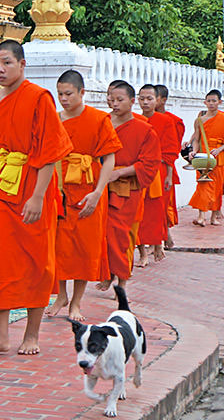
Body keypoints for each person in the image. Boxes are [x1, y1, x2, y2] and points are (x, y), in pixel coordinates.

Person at [0, 40, 73, 357]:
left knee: (36, 262)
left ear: (22, 64)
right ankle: (1, 336)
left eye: (6, 63)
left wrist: (37, 197)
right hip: (5, 186)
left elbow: (49, 152)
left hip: (34, 186)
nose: (0, 69)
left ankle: (32, 335)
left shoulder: (38, 98)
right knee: (0, 261)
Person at [45, 70, 121, 322]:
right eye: (60, 94)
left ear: (81, 93)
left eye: (68, 94)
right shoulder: (55, 120)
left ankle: (76, 303)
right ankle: (61, 296)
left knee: (84, 249)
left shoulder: (99, 119)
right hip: (61, 189)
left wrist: (98, 192)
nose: (63, 99)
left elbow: (109, 157)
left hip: (90, 188)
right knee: (60, 247)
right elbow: (50, 157)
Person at [97, 82, 160, 292]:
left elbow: (149, 163)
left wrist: (118, 173)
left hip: (125, 190)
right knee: (101, 235)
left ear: (132, 102)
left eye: (119, 100)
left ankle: (122, 280)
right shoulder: (102, 122)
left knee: (121, 237)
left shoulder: (144, 129)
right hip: (99, 187)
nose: (113, 104)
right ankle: (107, 274)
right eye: (110, 99)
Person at [135, 85, 176, 266]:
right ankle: (143, 253)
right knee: (138, 214)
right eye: (142, 98)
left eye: (149, 98)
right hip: (138, 171)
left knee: (156, 213)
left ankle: (157, 243)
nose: (145, 102)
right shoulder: (134, 120)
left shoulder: (165, 121)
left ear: (157, 100)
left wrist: (168, 176)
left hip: (158, 172)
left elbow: (169, 151)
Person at [188, 89, 224, 226]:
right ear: (205, 102)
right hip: (203, 157)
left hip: (218, 158)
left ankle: (213, 217)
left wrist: (220, 149)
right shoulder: (199, 120)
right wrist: (193, 151)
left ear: (219, 102)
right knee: (202, 186)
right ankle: (201, 216)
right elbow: (197, 139)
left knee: (216, 188)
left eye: (214, 101)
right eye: (208, 101)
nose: (211, 103)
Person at [154, 84, 185, 248]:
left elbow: (174, 148)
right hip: (148, 168)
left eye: (153, 98)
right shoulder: (141, 120)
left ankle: (165, 235)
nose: (147, 102)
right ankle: (157, 239)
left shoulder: (174, 122)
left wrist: (168, 171)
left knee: (163, 205)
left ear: (163, 100)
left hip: (165, 167)